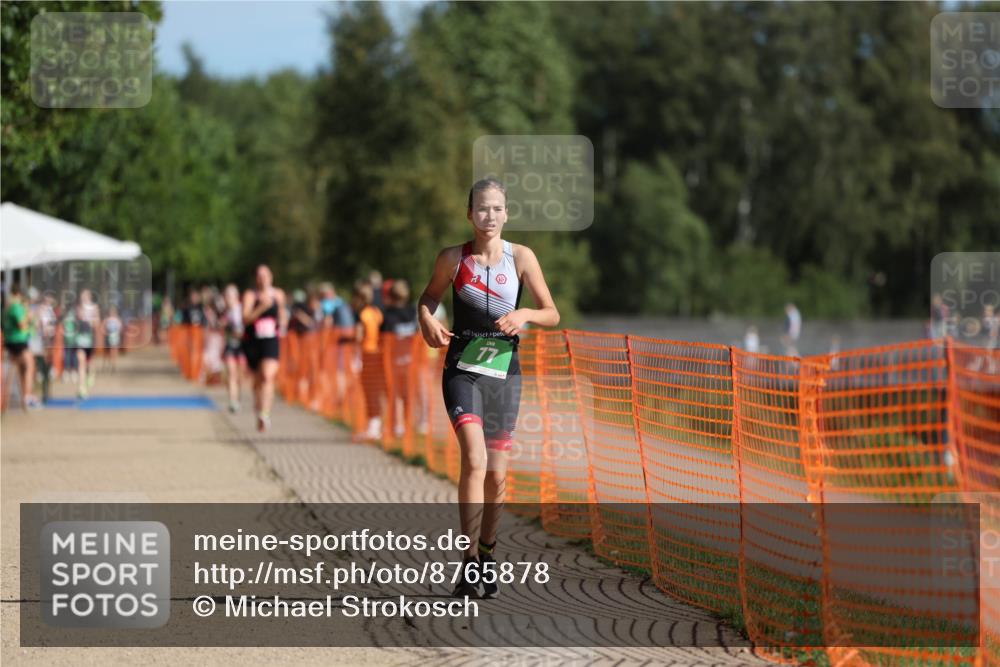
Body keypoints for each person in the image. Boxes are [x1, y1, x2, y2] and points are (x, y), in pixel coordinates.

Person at [417, 178, 559, 599]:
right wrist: (425, 319)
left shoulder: (522, 258)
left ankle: (487, 555)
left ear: (507, 213)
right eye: (482, 208)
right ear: (469, 213)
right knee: (474, 461)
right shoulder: (452, 258)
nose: (489, 216)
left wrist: (526, 315)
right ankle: (468, 563)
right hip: (462, 370)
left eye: (497, 209)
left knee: (497, 476)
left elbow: (553, 312)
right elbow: (427, 298)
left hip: (505, 374)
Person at [242, 265, 288, 432]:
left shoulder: (278, 294)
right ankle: (258, 405)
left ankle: (265, 414)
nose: (263, 279)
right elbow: (245, 319)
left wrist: (283, 323)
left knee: (268, 376)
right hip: (253, 341)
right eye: (259, 276)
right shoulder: (250, 295)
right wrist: (261, 307)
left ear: (271, 277)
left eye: (266, 275)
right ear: (256, 279)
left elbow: (282, 314)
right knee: (257, 381)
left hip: (271, 340)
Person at [353, 282, 384, 440]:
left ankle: (373, 426)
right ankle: (375, 425)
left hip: (366, 355)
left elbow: (358, 337)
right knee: (375, 392)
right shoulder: (376, 312)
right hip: (377, 355)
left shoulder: (362, 314)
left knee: (369, 392)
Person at [3, 285, 41, 410]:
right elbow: (21, 325)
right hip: (18, 341)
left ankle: (23, 396)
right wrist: (29, 317)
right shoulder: (16, 307)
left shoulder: (7, 307)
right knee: (30, 365)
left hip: (11, 341)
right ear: (19, 294)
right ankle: (28, 396)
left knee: (21, 368)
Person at [221, 284, 245, 413]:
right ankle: (233, 401)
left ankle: (238, 398)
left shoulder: (242, 309)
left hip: (242, 346)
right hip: (230, 345)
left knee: (239, 376)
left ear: (235, 297)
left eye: (229, 296)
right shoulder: (226, 312)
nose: (227, 299)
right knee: (231, 372)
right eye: (226, 296)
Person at [74, 289, 101, 399]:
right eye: (82, 296)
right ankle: (82, 388)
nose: (83, 298)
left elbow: (97, 324)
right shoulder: (78, 308)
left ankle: (91, 375)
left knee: (90, 362)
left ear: (89, 297)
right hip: (80, 340)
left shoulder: (94, 308)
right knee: (81, 362)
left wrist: (92, 320)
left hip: (90, 339)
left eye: (85, 296)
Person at [102, 306, 123, 373]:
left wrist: (117, 333)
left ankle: (114, 365)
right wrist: (106, 333)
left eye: (113, 311)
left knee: (114, 351)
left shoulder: (117, 319)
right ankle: (108, 364)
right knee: (108, 352)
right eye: (111, 311)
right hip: (109, 337)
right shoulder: (107, 319)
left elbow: (120, 328)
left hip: (115, 337)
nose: (112, 313)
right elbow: (102, 328)